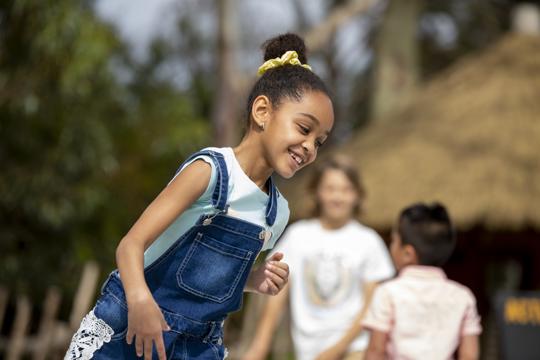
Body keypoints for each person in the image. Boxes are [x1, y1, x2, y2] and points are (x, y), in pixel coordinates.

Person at [64, 33, 334, 360]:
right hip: (128, 330)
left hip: (197, 348)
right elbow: (130, 246)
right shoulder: (210, 171)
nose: (309, 147)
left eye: (319, 141)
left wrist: (252, 279)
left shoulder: (276, 214)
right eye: (304, 129)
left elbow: (209, 281)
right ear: (262, 111)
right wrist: (139, 302)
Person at [243, 156, 395, 360]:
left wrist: (335, 351)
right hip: (308, 351)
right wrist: (259, 347)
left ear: (357, 194)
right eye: (330, 188)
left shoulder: (369, 241)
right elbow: (276, 293)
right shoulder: (297, 236)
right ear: (316, 192)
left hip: (355, 348)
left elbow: (371, 306)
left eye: (346, 189)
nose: (337, 196)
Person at [363, 203, 482, 360]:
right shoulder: (463, 296)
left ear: (407, 253)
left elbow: (376, 351)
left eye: (393, 241)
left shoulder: (388, 293)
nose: (391, 246)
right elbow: (469, 355)